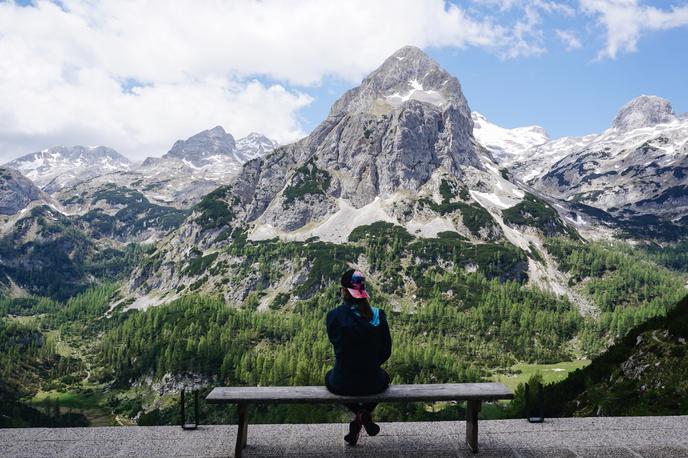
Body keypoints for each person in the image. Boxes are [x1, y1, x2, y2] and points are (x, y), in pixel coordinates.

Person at [325, 269, 392, 446]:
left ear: (345, 291)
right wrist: (370, 364)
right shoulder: (379, 315)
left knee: (329, 379)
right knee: (384, 379)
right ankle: (363, 414)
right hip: (372, 381)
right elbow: (386, 351)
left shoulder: (334, 316)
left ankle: (359, 414)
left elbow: (338, 347)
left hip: (343, 381)